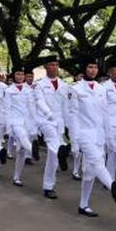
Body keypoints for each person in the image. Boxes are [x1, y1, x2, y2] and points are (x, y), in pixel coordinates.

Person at [68, 56, 116, 217]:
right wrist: (74, 142)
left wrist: (109, 136)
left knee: (89, 172)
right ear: (84, 69)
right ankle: (112, 184)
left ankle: (83, 205)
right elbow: (73, 117)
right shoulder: (76, 89)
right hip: (84, 134)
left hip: (99, 135)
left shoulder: (101, 89)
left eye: (95, 67)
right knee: (97, 162)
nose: (92, 70)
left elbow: (105, 114)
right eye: (89, 67)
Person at [32, 54, 71, 199]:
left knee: (54, 152)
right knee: (55, 149)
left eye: (56, 65)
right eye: (51, 65)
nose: (54, 68)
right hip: (46, 121)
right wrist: (49, 115)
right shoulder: (39, 85)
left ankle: (49, 185)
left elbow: (66, 106)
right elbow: (40, 102)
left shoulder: (64, 85)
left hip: (59, 123)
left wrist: (68, 124)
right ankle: (48, 186)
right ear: (45, 67)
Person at [3, 65, 37, 187]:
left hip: (27, 122)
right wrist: (8, 127)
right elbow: (6, 109)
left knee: (21, 151)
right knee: (22, 137)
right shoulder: (8, 91)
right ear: (14, 75)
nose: (20, 76)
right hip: (15, 121)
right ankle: (33, 150)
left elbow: (32, 107)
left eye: (22, 74)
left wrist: (34, 124)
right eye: (18, 74)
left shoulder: (29, 90)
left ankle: (17, 177)